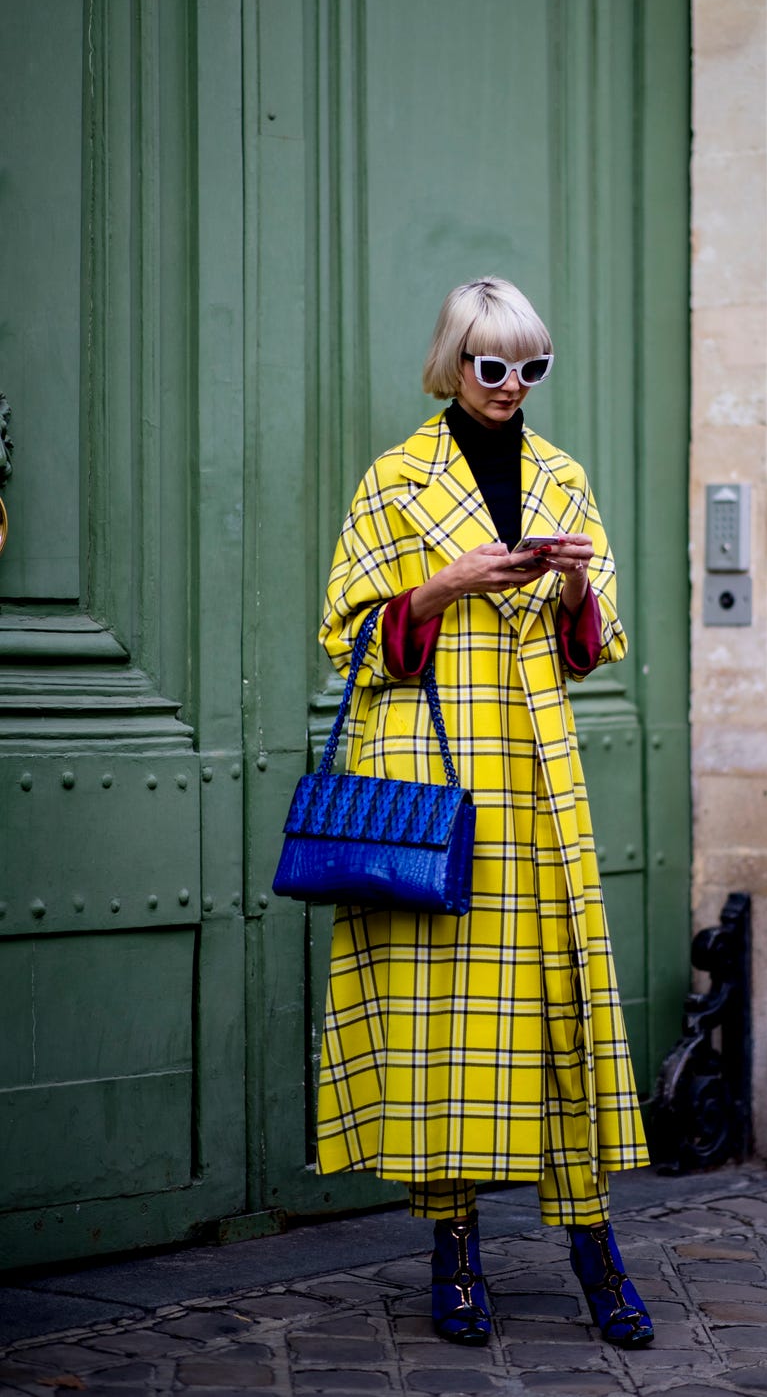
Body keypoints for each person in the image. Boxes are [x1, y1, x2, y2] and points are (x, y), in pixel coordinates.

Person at [316, 276, 653, 1349]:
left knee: (558, 1009)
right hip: (430, 768)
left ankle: (593, 1243)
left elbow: (599, 643)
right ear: (451, 364)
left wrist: (569, 593)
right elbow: (344, 636)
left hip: (538, 771)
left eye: (530, 368)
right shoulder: (393, 480)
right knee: (444, 1022)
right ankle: (451, 1251)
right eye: (490, 365)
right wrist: (445, 584)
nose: (510, 387)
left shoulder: (562, 477)